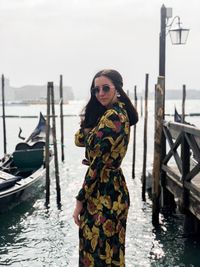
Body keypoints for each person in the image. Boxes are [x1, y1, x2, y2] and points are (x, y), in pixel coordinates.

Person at [73, 69, 138, 266]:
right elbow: (79, 139)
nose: (100, 93)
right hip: (110, 188)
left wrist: (80, 200)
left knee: (98, 255)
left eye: (106, 88)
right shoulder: (112, 113)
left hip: (104, 192)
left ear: (117, 89)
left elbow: (97, 164)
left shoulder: (113, 117)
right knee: (108, 254)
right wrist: (90, 133)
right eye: (96, 90)